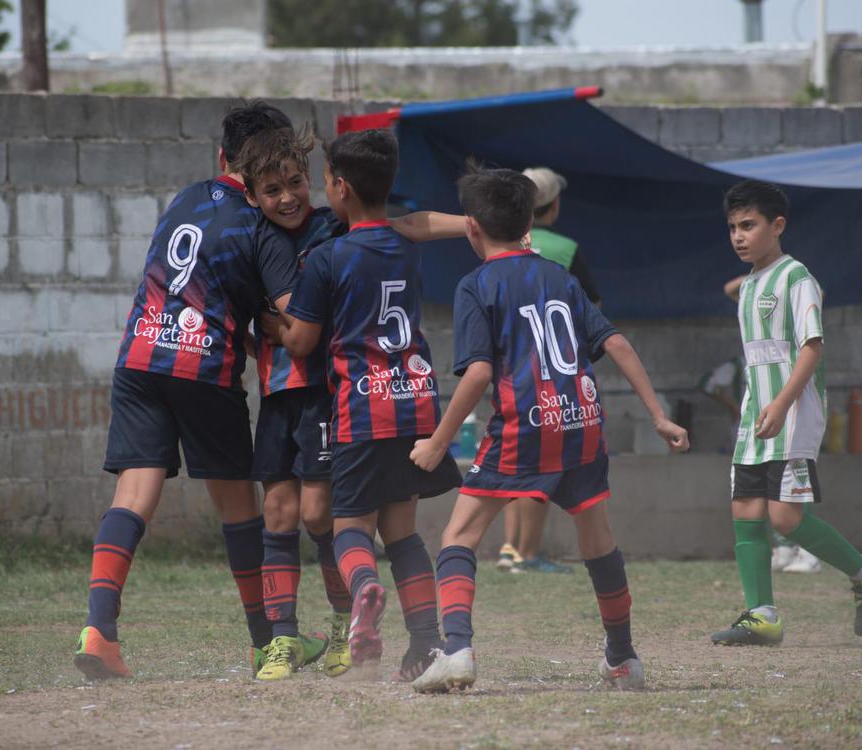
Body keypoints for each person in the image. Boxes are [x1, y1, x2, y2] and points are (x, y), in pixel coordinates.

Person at [408, 167, 689, 693]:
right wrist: (658, 415)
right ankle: (623, 658)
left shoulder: (477, 285)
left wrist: (438, 441)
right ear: (528, 224)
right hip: (582, 422)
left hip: (526, 425)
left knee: (459, 535)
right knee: (597, 538)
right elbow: (617, 343)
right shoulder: (561, 277)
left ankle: (458, 650)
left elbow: (479, 373)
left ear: (472, 227)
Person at [73, 102, 327, 680]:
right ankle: (267, 642)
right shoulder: (261, 225)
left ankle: (99, 630)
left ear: (220, 157)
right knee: (239, 507)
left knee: (132, 494)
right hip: (203, 369)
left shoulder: (185, 197)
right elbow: (295, 320)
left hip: (139, 356)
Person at [237, 127, 469, 680]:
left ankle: (364, 589)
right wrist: (473, 224)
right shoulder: (402, 245)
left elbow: (301, 341)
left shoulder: (329, 256)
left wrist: (264, 327)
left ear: (339, 187)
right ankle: (424, 644)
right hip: (416, 403)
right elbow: (415, 224)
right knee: (404, 533)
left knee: (349, 530)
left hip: (362, 410)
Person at [711, 180, 862, 648]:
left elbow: (812, 347)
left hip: (792, 414)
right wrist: (761, 406)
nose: (738, 236)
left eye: (749, 225)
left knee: (786, 519)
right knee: (745, 511)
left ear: (778, 225)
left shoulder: (797, 278)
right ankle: (762, 615)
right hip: (756, 416)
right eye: (732, 227)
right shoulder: (750, 284)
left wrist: (781, 402)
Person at [494, 166, 601, 575]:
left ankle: (510, 548)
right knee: (542, 461)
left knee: (513, 456)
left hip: (506, 369)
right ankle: (527, 553)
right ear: (553, 206)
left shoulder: (500, 246)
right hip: (550, 374)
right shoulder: (565, 249)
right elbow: (592, 308)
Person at [702, 278, 821, 575]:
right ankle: (782, 549)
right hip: (754, 421)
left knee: (792, 489)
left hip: (790, 413)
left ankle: (811, 554)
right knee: (762, 493)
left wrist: (776, 271)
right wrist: (763, 273)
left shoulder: (798, 304)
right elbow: (730, 289)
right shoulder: (747, 350)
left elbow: (815, 293)